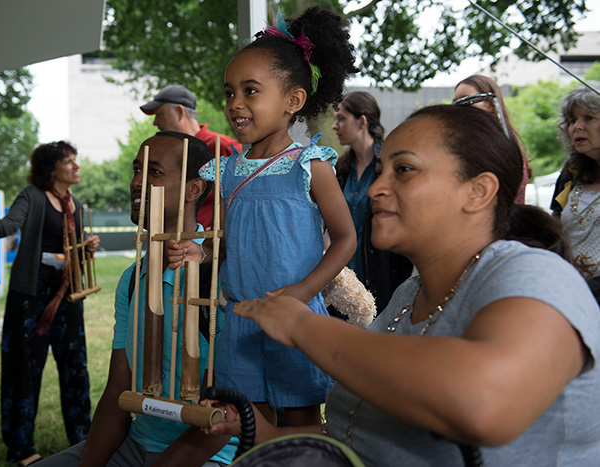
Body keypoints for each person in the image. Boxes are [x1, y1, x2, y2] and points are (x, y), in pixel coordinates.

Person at [209, 104, 600, 465]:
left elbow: (483, 403)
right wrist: (270, 433)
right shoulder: (408, 297)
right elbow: (365, 430)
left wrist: (303, 325)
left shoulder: (536, 275)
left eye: (405, 170)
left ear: (478, 191)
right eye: (380, 171)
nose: (378, 188)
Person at [168, 7, 357, 434]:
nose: (235, 103)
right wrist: (202, 250)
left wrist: (302, 293)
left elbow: (346, 238)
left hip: (295, 318)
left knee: (304, 422)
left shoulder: (310, 165)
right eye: (230, 92)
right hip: (239, 319)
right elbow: (231, 243)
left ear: (293, 101)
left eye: (251, 91)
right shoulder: (227, 169)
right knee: (249, 424)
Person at [38, 132, 236, 466]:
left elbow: (222, 416)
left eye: (154, 172)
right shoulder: (132, 279)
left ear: (194, 189)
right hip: (136, 445)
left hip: (210, 454)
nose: (137, 182)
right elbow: (118, 390)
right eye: (136, 170)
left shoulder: (222, 280)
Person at [0, 141, 99, 467]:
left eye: (76, 160)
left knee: (76, 368)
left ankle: (84, 439)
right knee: (25, 370)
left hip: (68, 294)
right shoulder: (31, 196)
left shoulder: (74, 203)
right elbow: (7, 227)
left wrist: (85, 248)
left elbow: (70, 251)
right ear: (51, 169)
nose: (76, 166)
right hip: (32, 296)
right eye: (69, 161)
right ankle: (21, 447)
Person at [332, 92, 412, 313]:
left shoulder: (391, 164)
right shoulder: (340, 169)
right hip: (342, 285)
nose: (334, 126)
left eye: (341, 118)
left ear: (362, 121)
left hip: (381, 280)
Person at [140, 84, 241, 230]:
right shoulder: (165, 156)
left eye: (159, 114)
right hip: (172, 244)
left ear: (179, 112)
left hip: (213, 248)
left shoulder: (224, 148)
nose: (155, 122)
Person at [551, 83, 600, 302]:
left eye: (588, 118)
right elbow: (553, 226)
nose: (576, 127)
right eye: (572, 121)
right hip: (567, 290)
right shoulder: (570, 173)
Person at [453, 74, 530, 204]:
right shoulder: (459, 147)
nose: (460, 109)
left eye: (468, 100)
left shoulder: (505, 149)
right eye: (456, 103)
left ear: (490, 104)